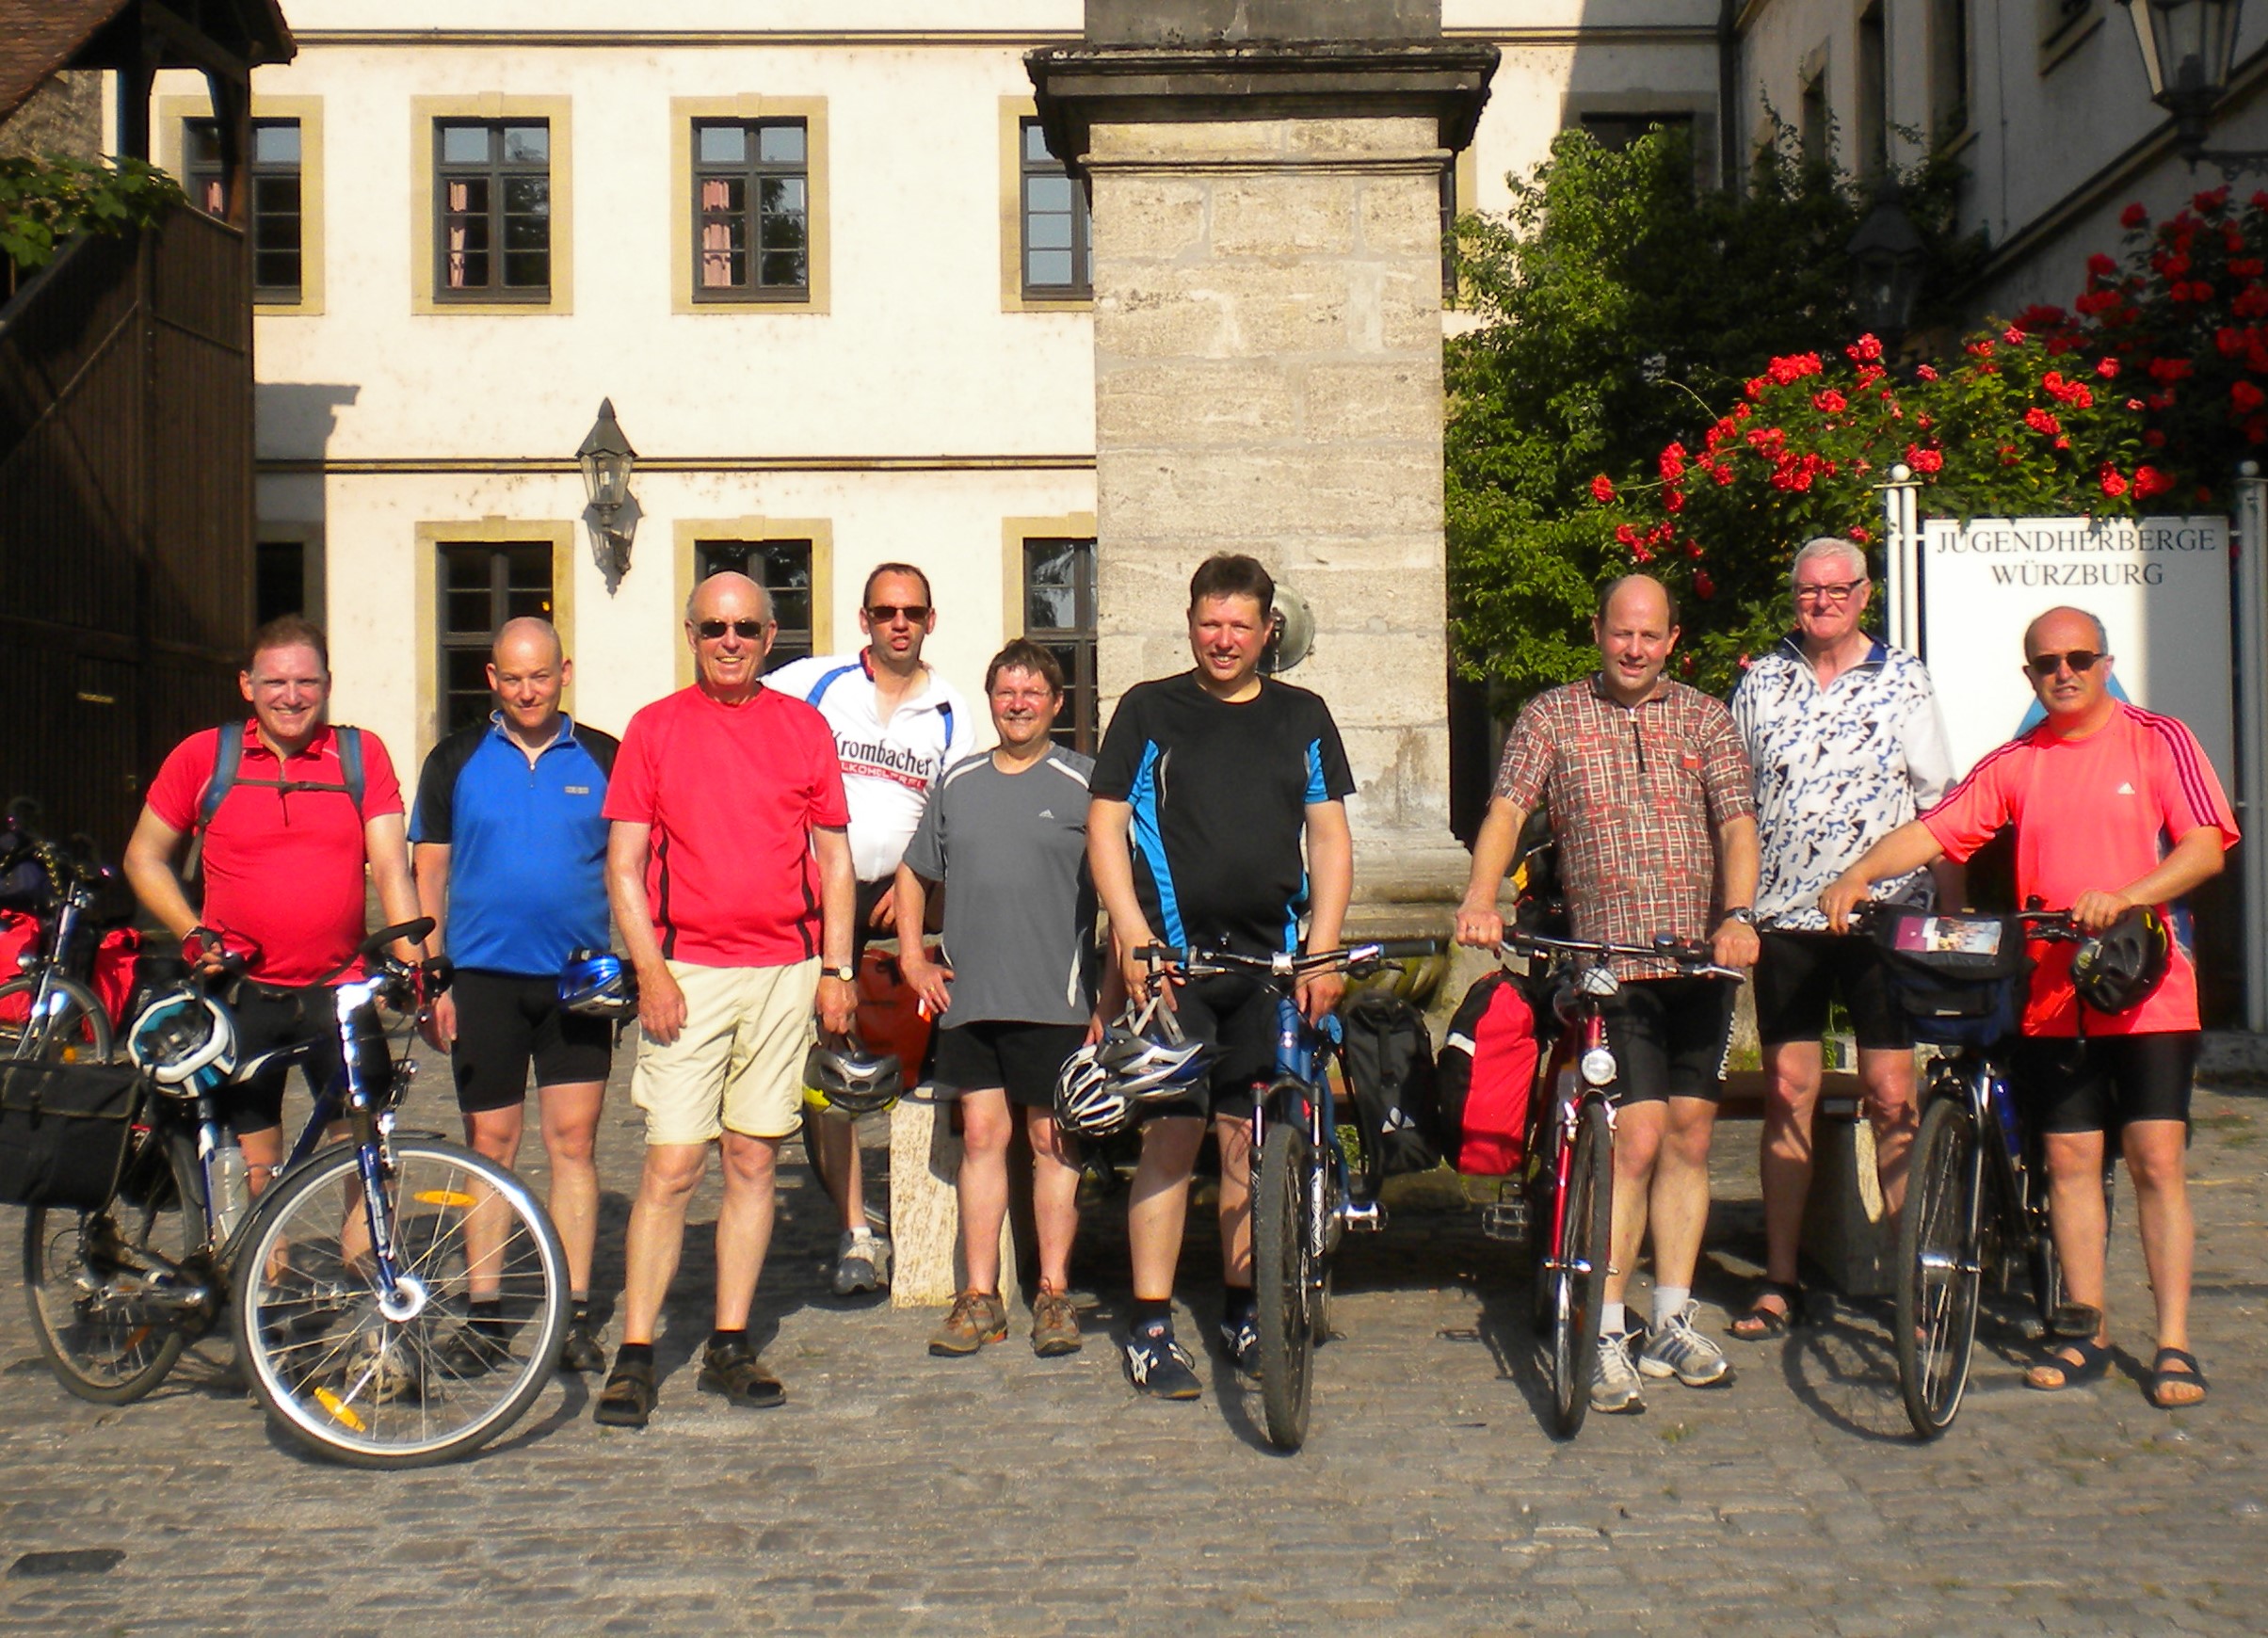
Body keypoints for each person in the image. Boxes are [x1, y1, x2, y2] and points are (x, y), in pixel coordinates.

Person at [1822, 605, 2236, 1411]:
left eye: (2078, 657)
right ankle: (2083, 1329)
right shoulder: (2019, 760)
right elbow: (1941, 830)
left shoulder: (2158, 739)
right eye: (2046, 663)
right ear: (2029, 676)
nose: (2063, 673)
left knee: (2154, 1159)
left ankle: (2175, 1341)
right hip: (2052, 995)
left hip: (2147, 990)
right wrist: (1857, 875)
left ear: (2105, 661)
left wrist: (2125, 897)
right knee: (2070, 1163)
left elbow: (2203, 845)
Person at [1454, 574, 1759, 1414]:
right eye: (1621, 634)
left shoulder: (1705, 717)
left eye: (1649, 636)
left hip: (1697, 959)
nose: (1634, 649)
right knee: (1635, 1135)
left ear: (1671, 639)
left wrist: (1737, 913)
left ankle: (1671, 1315)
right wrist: (1481, 897)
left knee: (1690, 1137)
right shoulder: (1553, 715)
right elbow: (1508, 806)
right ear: (1598, 632)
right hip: (1607, 963)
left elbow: (1736, 821)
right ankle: (1605, 1327)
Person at [592, 572, 857, 1429]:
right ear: (691, 632)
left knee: (751, 1159)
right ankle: (636, 1351)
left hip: (784, 970)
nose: (730, 641)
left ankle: (730, 1340)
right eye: (714, 628)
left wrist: (836, 969)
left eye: (745, 627)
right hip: (690, 971)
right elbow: (624, 867)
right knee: (671, 1166)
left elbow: (835, 862)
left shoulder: (802, 727)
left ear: (770, 635)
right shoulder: (655, 729)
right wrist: (651, 972)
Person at [1087, 554, 1355, 1401]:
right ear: (1191, 622)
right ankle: (1152, 1323)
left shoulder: (1302, 715)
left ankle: (1246, 1309)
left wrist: (1322, 947)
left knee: (1247, 1139)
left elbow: (1331, 839)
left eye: (1240, 625)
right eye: (1210, 623)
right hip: (1176, 966)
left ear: (1267, 629)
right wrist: (1132, 935)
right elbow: (1104, 826)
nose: (1224, 639)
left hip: (1270, 966)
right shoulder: (1149, 710)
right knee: (1170, 1139)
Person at [1726, 538, 1958, 1341]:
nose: (1820, 602)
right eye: (1806, 591)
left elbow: (1940, 808)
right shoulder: (1758, 682)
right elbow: (1736, 804)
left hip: (1883, 917)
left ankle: (1909, 1279)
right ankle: (1780, 1278)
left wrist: (1951, 918)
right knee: (1787, 1091)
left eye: (1836, 590)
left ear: (1864, 595)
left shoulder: (1904, 679)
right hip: (1785, 917)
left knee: (1891, 1096)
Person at [123, 615, 422, 1196]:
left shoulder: (360, 756)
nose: (291, 697)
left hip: (339, 990)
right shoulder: (206, 756)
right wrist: (192, 933)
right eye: (275, 683)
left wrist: (417, 962)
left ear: (328, 685)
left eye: (306, 682)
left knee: (364, 1158)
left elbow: (390, 867)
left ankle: (371, 1283)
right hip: (242, 993)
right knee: (256, 1174)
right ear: (247, 685)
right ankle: (261, 1276)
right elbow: (144, 858)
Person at [410, 617, 618, 1376]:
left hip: (578, 980)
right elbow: (427, 874)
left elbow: (632, 868)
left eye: (541, 676)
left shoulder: (602, 756)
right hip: (484, 980)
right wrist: (431, 973)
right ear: (491, 680)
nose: (527, 691)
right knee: (488, 1147)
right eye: (512, 678)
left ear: (564, 671)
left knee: (574, 1145)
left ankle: (575, 1311)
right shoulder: (456, 759)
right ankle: (485, 1313)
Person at [766, 563, 974, 1297]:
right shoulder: (812, 683)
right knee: (826, 1058)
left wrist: (925, 880)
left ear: (929, 620)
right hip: (819, 894)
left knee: (915, 1059)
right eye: (885, 611)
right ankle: (854, 1226)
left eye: (911, 612)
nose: (898, 623)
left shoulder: (951, 708)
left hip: (898, 900)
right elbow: (755, 745)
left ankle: (924, 1210)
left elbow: (957, 810)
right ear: (864, 619)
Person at [894, 639, 1099, 1359]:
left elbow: (1122, 889)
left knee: (1052, 1143)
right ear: (992, 701)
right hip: (972, 998)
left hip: (1057, 1000)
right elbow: (914, 875)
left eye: (1032, 694)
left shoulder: (1086, 783)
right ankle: (978, 1297)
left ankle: (1050, 1291)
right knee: (981, 1141)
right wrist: (915, 957)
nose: (1018, 705)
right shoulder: (959, 783)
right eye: (1006, 693)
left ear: (1056, 703)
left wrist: (1109, 994)